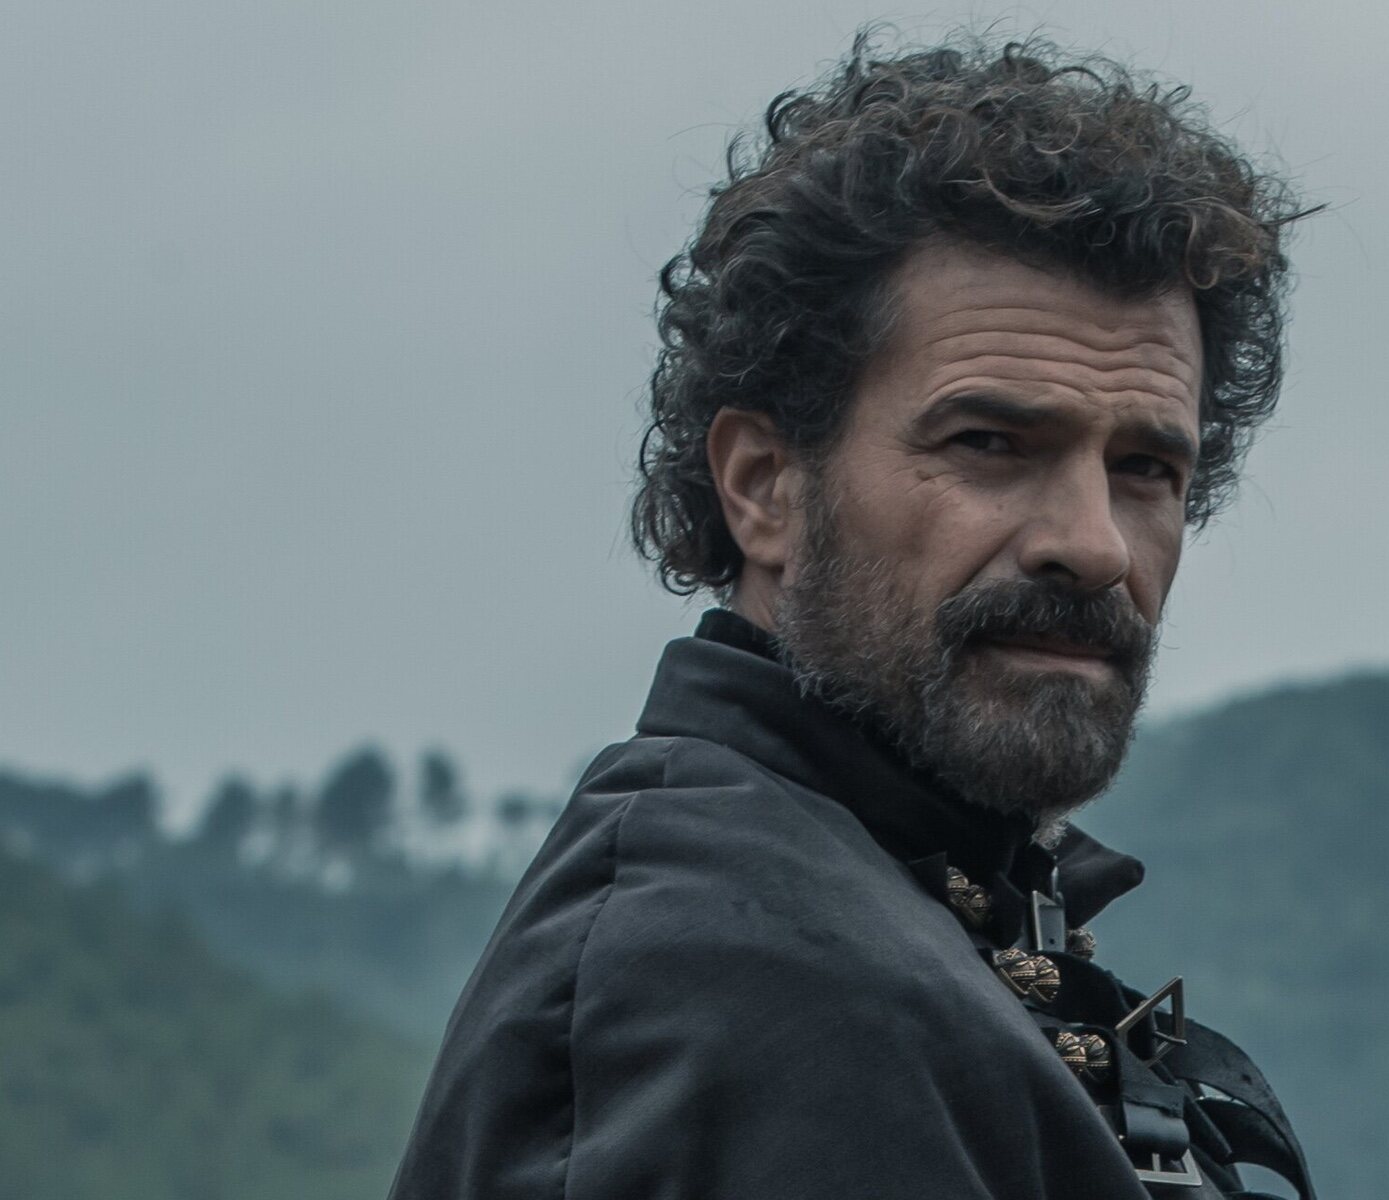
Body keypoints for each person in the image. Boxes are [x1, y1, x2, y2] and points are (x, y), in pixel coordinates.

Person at [391, 31, 1318, 1200]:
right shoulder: (753, 983)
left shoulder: (888, 912)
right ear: (764, 486)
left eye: (1143, 468)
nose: (1091, 545)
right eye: (989, 443)